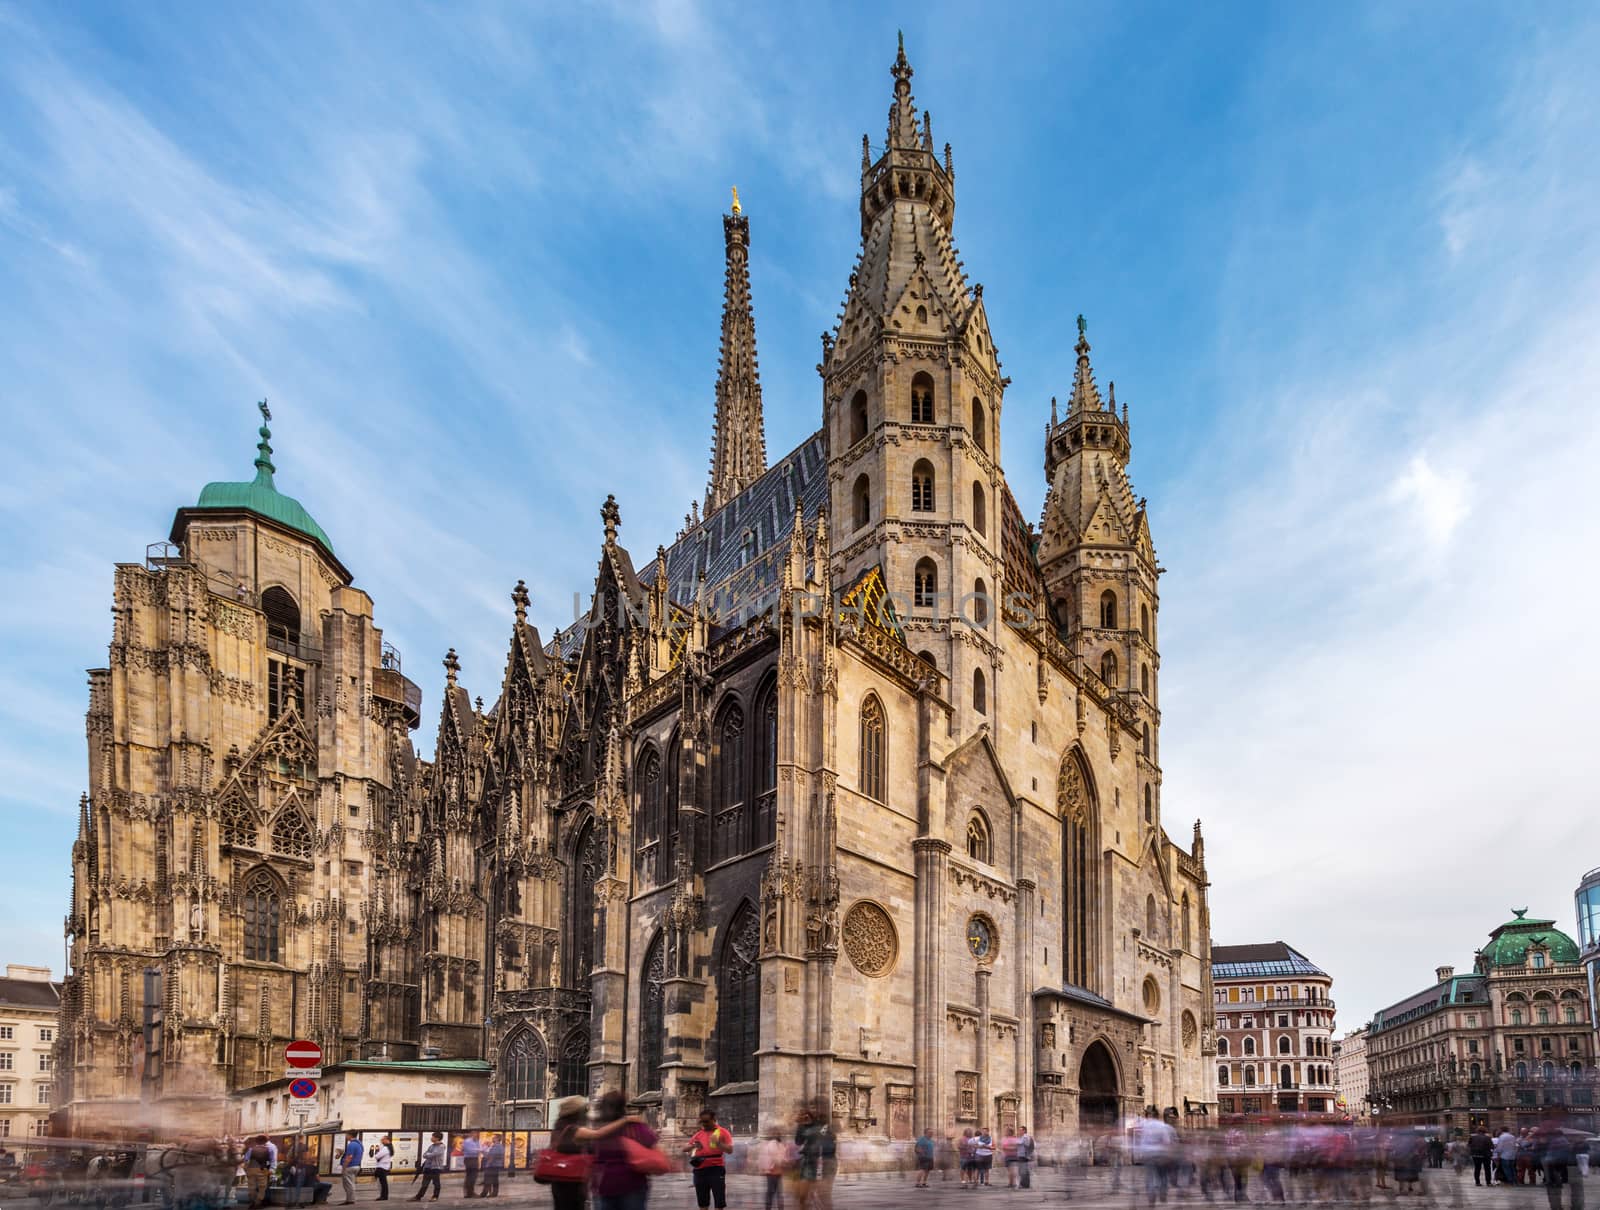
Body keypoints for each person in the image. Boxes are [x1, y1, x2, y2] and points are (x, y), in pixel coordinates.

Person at [586, 1089, 660, 1210]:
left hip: (603, 1185)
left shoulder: (596, 1128)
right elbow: (653, 1146)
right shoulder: (636, 1126)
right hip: (633, 1185)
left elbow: (589, 1153)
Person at [544, 1096, 593, 1210]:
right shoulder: (574, 1129)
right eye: (584, 1110)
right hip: (572, 1181)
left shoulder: (559, 1127)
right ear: (577, 1113)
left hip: (560, 1179)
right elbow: (598, 1137)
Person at [686, 1110, 732, 1210]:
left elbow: (730, 1150)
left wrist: (718, 1143)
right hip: (700, 1170)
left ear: (714, 1120)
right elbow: (684, 1148)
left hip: (716, 1169)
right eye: (702, 1121)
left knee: (719, 1201)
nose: (704, 1124)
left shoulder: (723, 1132)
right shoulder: (698, 1134)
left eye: (706, 1121)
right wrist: (693, 1145)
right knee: (702, 1202)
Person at [759, 1126, 790, 1208]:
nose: (777, 1134)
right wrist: (784, 1162)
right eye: (775, 1133)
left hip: (776, 1172)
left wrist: (785, 1161)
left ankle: (773, 1207)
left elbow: (783, 1156)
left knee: (775, 1193)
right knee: (773, 1192)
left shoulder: (779, 1144)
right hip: (772, 1172)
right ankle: (771, 1207)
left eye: (778, 1132)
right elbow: (776, 1157)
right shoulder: (772, 1144)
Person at [413, 1133, 446, 1202]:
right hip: (428, 1167)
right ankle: (418, 1197)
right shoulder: (431, 1146)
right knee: (424, 1184)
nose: (431, 1138)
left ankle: (435, 1196)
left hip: (435, 1167)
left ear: (437, 1138)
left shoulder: (441, 1146)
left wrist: (428, 1154)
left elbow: (434, 1154)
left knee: (436, 1183)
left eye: (433, 1137)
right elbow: (425, 1154)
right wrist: (429, 1154)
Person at [246, 1136, 276, 1209]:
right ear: (265, 1142)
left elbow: (246, 1160)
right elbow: (272, 1160)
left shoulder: (251, 1149)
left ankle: (252, 1201)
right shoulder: (269, 1149)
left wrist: (246, 1169)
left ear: (256, 1141)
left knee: (251, 1187)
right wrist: (272, 1169)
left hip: (251, 1169)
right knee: (262, 1187)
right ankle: (258, 1202)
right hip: (263, 1170)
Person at [341, 1134, 366, 1205]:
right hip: (356, 1165)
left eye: (347, 1135)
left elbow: (349, 1157)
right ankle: (351, 1199)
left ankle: (350, 1200)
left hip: (350, 1166)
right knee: (351, 1183)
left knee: (348, 1184)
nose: (346, 1136)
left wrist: (344, 1167)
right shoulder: (359, 1144)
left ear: (350, 1135)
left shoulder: (351, 1145)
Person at [371, 1138, 393, 1203]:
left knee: (383, 1183)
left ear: (387, 1140)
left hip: (382, 1167)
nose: (381, 1141)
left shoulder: (385, 1148)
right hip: (385, 1167)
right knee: (383, 1183)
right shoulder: (389, 1148)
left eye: (383, 1140)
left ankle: (383, 1196)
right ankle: (384, 1196)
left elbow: (377, 1156)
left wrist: (377, 1153)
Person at [460, 1133, 482, 1199]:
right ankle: (469, 1193)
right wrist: (479, 1150)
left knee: (472, 1177)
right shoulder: (467, 1141)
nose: (477, 1135)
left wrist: (479, 1151)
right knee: (471, 1177)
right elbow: (468, 1150)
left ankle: (469, 1193)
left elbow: (479, 1150)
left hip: (474, 1159)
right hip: (469, 1159)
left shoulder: (477, 1141)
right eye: (476, 1133)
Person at [1015, 1125, 1035, 1190]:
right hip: (1020, 1154)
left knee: (1023, 1170)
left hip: (1024, 1155)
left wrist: (1017, 1142)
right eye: (1019, 1130)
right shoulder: (1021, 1137)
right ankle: (1025, 1184)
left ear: (1024, 1131)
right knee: (1023, 1170)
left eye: (1020, 1130)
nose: (1019, 1131)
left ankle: (1023, 1184)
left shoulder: (1026, 1137)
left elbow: (1026, 1144)